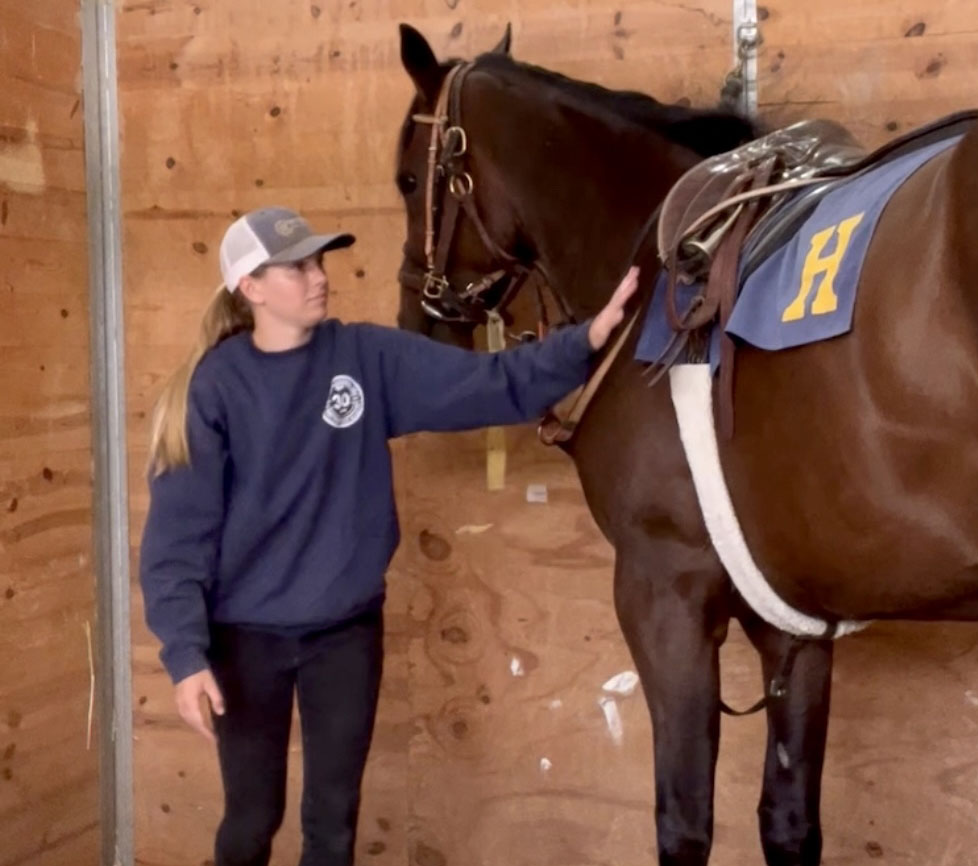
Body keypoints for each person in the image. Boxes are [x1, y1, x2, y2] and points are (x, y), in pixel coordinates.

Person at [139, 206, 638, 866]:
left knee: (332, 824)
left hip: (344, 636)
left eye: (321, 262)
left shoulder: (364, 357)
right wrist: (186, 656)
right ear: (251, 288)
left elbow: (488, 383)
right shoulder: (213, 391)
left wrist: (587, 339)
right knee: (251, 820)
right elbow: (177, 541)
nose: (319, 278)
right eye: (298, 267)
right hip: (245, 641)